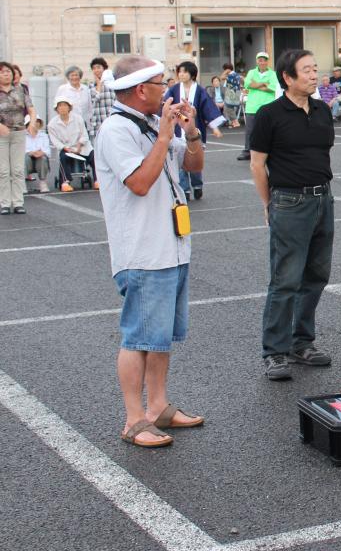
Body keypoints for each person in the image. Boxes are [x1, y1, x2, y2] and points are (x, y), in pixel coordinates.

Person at [94, 55, 205, 448]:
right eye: (161, 84)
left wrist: (188, 133)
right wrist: (163, 136)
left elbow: (193, 164)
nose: (168, 90)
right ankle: (133, 419)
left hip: (171, 248)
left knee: (159, 338)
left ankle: (157, 406)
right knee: (138, 337)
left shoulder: (149, 125)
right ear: (142, 90)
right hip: (142, 251)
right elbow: (139, 182)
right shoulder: (116, 130)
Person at [250, 49, 337, 381]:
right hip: (288, 201)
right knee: (285, 280)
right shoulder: (270, 114)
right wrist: (268, 203)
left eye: (316, 68)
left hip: (323, 199)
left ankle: (302, 343)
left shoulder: (322, 110)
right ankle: (275, 351)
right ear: (287, 77)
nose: (315, 75)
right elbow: (258, 164)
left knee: (316, 276)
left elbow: (321, 156)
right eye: (307, 70)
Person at [166, 61, 224, 200]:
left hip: (195, 129)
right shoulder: (173, 90)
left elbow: (208, 109)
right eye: (179, 71)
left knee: (195, 158)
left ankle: (197, 185)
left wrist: (214, 127)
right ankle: (184, 189)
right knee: (180, 161)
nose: (181, 74)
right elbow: (165, 104)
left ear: (192, 74)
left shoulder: (199, 90)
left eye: (184, 72)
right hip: (178, 130)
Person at [0, 60, 39, 214]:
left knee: (17, 170)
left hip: (18, 132)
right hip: (1, 135)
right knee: (3, 170)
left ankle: (17, 202)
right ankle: (4, 203)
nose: (6, 74)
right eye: (2, 72)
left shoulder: (21, 90)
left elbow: (31, 109)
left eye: (8, 71)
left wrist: (32, 123)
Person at [237, 52, 279, 161]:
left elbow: (273, 87)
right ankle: (247, 151)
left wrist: (256, 84)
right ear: (257, 61)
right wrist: (264, 83)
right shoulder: (251, 72)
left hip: (267, 107)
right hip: (252, 106)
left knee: (267, 131)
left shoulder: (273, 74)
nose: (262, 62)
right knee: (250, 130)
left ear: (267, 61)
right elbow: (248, 84)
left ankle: (268, 151)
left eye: (264, 60)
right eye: (260, 60)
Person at [48, 97, 94, 191]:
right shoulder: (52, 124)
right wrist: (65, 148)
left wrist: (79, 145)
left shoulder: (78, 119)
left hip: (82, 147)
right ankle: (65, 182)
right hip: (66, 148)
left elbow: (84, 135)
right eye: (60, 106)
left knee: (94, 156)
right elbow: (55, 141)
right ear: (56, 109)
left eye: (65, 105)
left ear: (69, 107)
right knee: (63, 157)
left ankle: (98, 181)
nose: (62, 108)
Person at [88, 57, 115, 141]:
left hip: (111, 119)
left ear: (104, 68)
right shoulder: (91, 86)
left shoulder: (112, 83)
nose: (96, 70)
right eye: (94, 68)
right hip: (98, 121)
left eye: (99, 67)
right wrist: (99, 85)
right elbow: (95, 100)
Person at [25, 118, 51, 193]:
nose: (35, 124)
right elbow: (21, 150)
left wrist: (42, 152)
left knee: (43, 158)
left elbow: (48, 151)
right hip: (28, 160)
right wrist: (31, 152)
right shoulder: (22, 136)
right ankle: (22, 184)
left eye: (37, 122)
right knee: (24, 157)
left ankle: (43, 182)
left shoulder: (44, 135)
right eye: (32, 122)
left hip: (39, 160)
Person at [220, 62, 243, 128]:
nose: (224, 71)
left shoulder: (231, 75)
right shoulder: (236, 74)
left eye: (224, 69)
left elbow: (221, 77)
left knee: (229, 107)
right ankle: (234, 121)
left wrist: (226, 71)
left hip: (232, 92)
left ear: (227, 69)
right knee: (230, 108)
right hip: (235, 92)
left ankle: (235, 121)